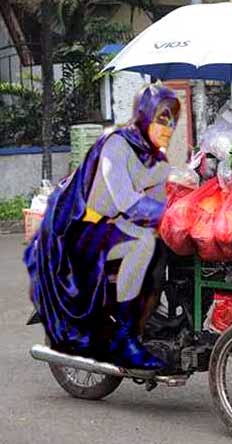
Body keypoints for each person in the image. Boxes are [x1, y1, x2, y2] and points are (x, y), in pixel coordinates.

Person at [24, 84, 180, 371]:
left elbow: (156, 191)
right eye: (162, 118)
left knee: (172, 249)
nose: (169, 127)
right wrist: (171, 211)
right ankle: (124, 336)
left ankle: (159, 321)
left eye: (172, 120)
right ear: (145, 115)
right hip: (86, 228)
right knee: (145, 244)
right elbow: (126, 200)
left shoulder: (149, 151)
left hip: (118, 225)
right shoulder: (116, 145)